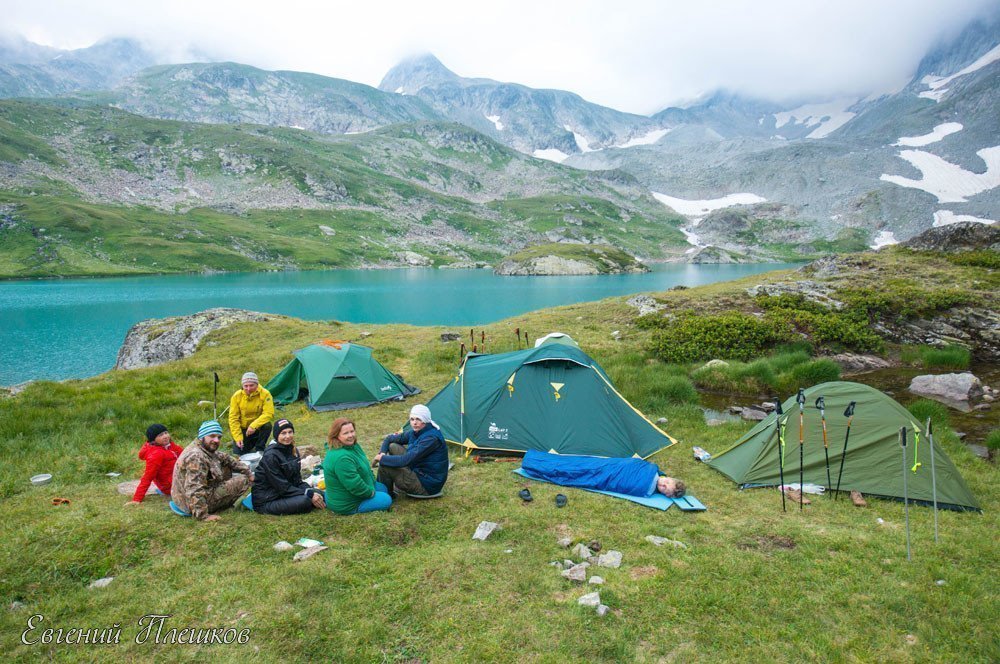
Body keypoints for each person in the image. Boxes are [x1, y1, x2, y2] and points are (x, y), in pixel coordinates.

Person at [172, 420, 253, 522]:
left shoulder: (202, 447)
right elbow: (194, 488)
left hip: (183, 497)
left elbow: (226, 458)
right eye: (212, 436)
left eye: (219, 437)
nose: (216, 440)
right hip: (188, 504)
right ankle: (209, 509)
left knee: (226, 464)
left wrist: (248, 472)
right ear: (202, 436)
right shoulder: (196, 456)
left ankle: (217, 503)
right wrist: (203, 515)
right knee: (243, 480)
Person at [520, 449, 686, 498]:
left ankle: (533, 463)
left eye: (665, 490)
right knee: (579, 464)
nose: (663, 486)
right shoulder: (652, 468)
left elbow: (625, 484)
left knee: (576, 472)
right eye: (667, 483)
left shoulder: (646, 490)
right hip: (610, 466)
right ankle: (534, 460)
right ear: (669, 478)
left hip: (608, 476)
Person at [251, 419, 326, 515]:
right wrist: (309, 494)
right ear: (277, 435)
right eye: (283, 433)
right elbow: (282, 486)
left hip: (284, 493)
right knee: (305, 500)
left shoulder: (293, 450)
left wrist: (311, 491)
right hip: (268, 499)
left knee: (319, 493)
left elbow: (297, 481)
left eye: (290, 432)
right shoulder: (271, 456)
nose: (287, 436)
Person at [373, 405, 448, 497]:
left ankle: (384, 496)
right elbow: (389, 439)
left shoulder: (431, 438)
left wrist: (382, 458)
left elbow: (405, 460)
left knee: (385, 465)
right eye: (412, 419)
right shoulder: (416, 431)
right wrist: (382, 453)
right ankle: (387, 489)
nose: (414, 423)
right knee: (393, 446)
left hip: (427, 485)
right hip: (418, 470)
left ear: (425, 420)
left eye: (418, 419)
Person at [323, 418, 392, 515]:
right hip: (346, 502)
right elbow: (354, 485)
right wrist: (370, 493)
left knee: (383, 488)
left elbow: (365, 468)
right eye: (345, 433)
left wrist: (371, 483)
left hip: (355, 490)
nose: (351, 435)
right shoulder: (342, 458)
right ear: (336, 435)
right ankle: (353, 509)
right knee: (386, 500)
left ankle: (373, 494)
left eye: (352, 431)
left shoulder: (352, 446)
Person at [126, 424, 183, 506]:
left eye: (166, 433)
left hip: (177, 478)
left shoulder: (169, 446)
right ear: (153, 440)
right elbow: (147, 477)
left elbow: (184, 454)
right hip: (171, 486)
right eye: (160, 435)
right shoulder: (156, 454)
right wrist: (137, 498)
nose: (165, 436)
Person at [228, 371, 275, 455]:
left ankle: (260, 448)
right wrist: (238, 437)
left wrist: (253, 425)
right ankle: (244, 443)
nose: (248, 389)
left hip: (257, 427)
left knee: (267, 425)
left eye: (251, 385)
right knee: (239, 452)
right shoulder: (236, 396)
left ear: (257, 385)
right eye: (246, 386)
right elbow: (233, 418)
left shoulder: (265, 394)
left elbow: (268, 413)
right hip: (243, 429)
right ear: (242, 386)